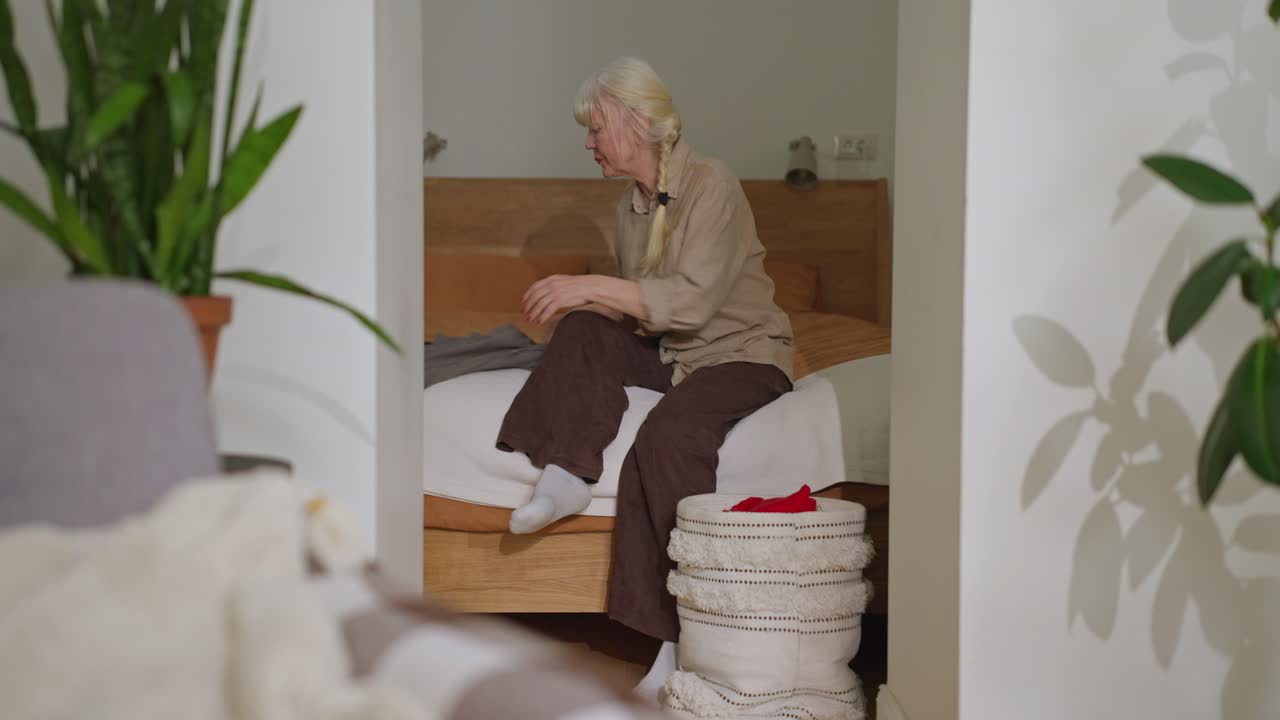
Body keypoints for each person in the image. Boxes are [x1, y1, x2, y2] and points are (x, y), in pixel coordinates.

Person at [494, 57, 795, 699]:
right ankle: (569, 473)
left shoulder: (713, 183)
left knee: (667, 433)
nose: (588, 143)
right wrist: (586, 310)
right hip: (673, 353)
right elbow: (641, 309)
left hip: (741, 355)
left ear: (635, 124)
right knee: (580, 330)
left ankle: (677, 642)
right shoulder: (630, 205)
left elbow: (688, 302)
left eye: (596, 128)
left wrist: (588, 283)